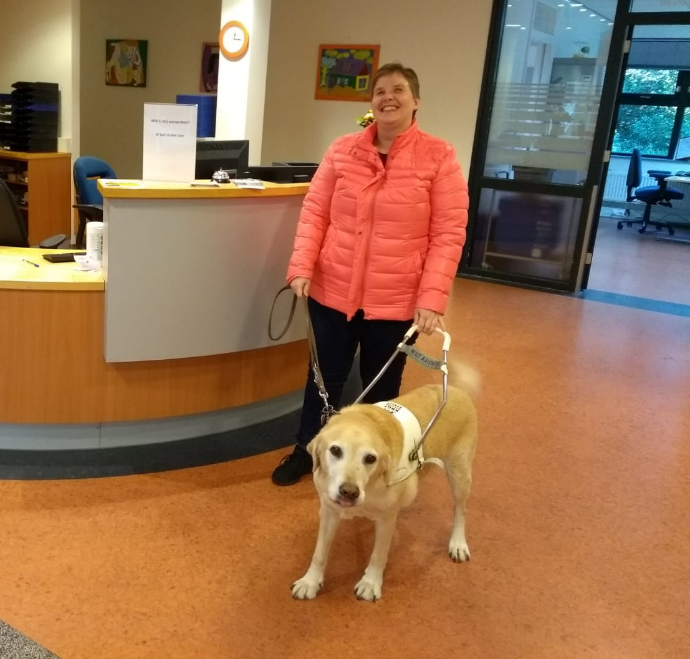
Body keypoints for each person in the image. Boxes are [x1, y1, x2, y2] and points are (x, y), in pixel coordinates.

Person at [272, 62, 469, 486]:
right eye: (380, 91)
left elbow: (449, 232)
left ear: (415, 102)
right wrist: (302, 265)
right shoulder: (342, 150)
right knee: (324, 380)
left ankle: (377, 462)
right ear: (371, 102)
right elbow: (315, 213)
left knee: (382, 389)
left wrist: (431, 298)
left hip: (396, 301)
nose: (388, 97)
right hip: (333, 291)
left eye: (399, 90)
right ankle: (308, 450)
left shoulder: (439, 156)